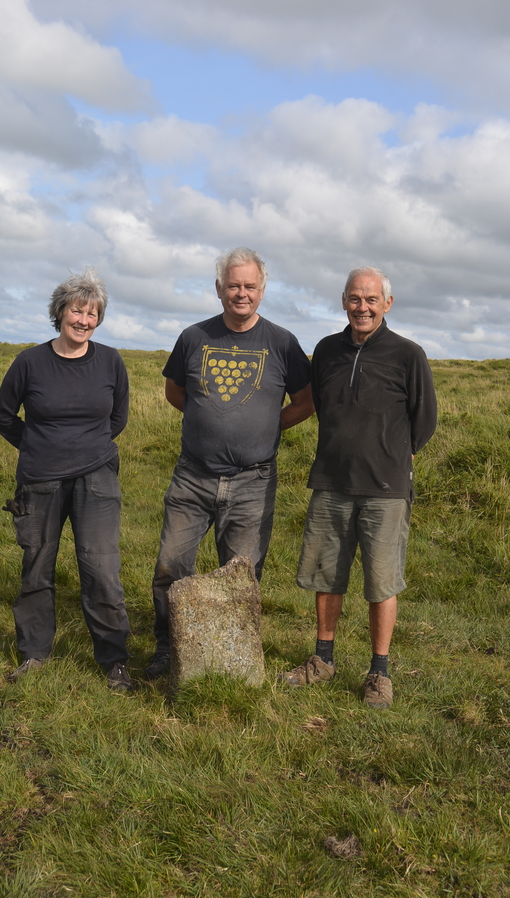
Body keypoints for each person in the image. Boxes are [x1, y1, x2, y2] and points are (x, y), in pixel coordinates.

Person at [145, 247, 314, 679]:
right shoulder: (193, 337)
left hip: (253, 481)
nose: (242, 293)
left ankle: (233, 656)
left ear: (262, 290)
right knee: (171, 565)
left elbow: (306, 401)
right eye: (234, 285)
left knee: (240, 575)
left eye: (250, 286)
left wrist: (266, 428)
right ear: (219, 289)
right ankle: (168, 646)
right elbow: (175, 392)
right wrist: (211, 422)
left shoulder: (282, 342)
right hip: (193, 476)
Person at [281, 266, 437, 708]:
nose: (362, 307)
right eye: (354, 299)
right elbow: (321, 406)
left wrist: (395, 457)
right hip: (331, 481)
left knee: (380, 582)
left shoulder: (409, 354)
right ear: (343, 301)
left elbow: (423, 421)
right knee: (326, 575)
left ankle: (379, 673)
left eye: (371, 300)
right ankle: (323, 660)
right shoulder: (326, 350)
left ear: (386, 304)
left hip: (385, 488)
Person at [0, 268, 134, 691]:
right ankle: (34, 655)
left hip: (97, 480)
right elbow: (3, 416)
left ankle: (115, 662)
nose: (84, 321)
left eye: (92, 314)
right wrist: (37, 445)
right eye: (77, 311)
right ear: (60, 312)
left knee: (102, 569)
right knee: (37, 568)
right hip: (40, 481)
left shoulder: (110, 361)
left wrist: (88, 450)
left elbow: (119, 417)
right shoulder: (29, 362)